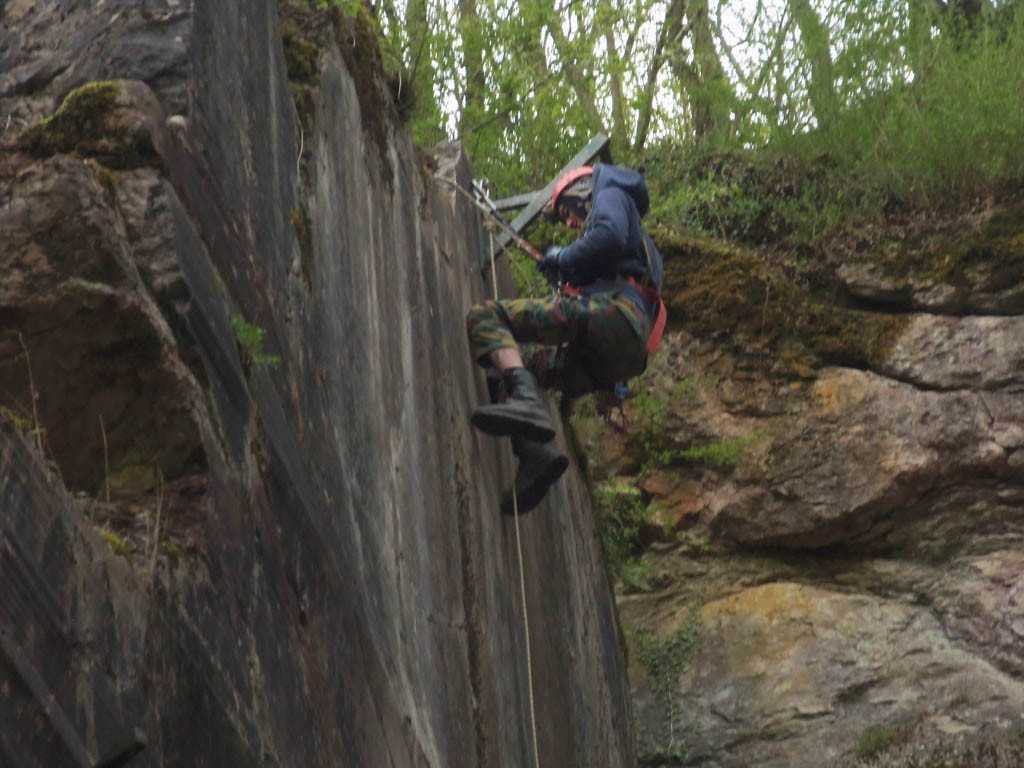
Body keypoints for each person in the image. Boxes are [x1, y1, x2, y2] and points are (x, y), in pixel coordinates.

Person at [465, 164, 666, 515]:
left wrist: (564, 256)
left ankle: (528, 403)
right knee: (513, 372)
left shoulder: (609, 191)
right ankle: (534, 454)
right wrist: (567, 270)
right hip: (616, 356)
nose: (571, 224)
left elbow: (608, 235)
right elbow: (609, 253)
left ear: (580, 192)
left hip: (610, 314)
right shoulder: (635, 250)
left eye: (566, 214)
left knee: (485, 316)